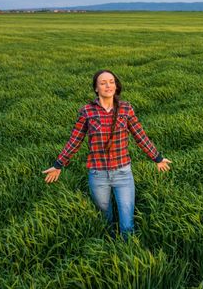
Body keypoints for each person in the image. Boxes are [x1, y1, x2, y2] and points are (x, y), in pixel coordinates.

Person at [42, 69, 171, 238]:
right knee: (105, 220)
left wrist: (157, 158)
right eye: (103, 83)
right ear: (96, 88)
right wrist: (58, 165)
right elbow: (75, 140)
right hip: (98, 175)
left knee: (127, 224)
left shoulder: (126, 109)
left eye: (111, 81)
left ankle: (128, 253)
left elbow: (140, 135)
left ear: (116, 86)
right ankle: (108, 251)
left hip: (123, 173)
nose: (108, 85)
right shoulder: (87, 111)